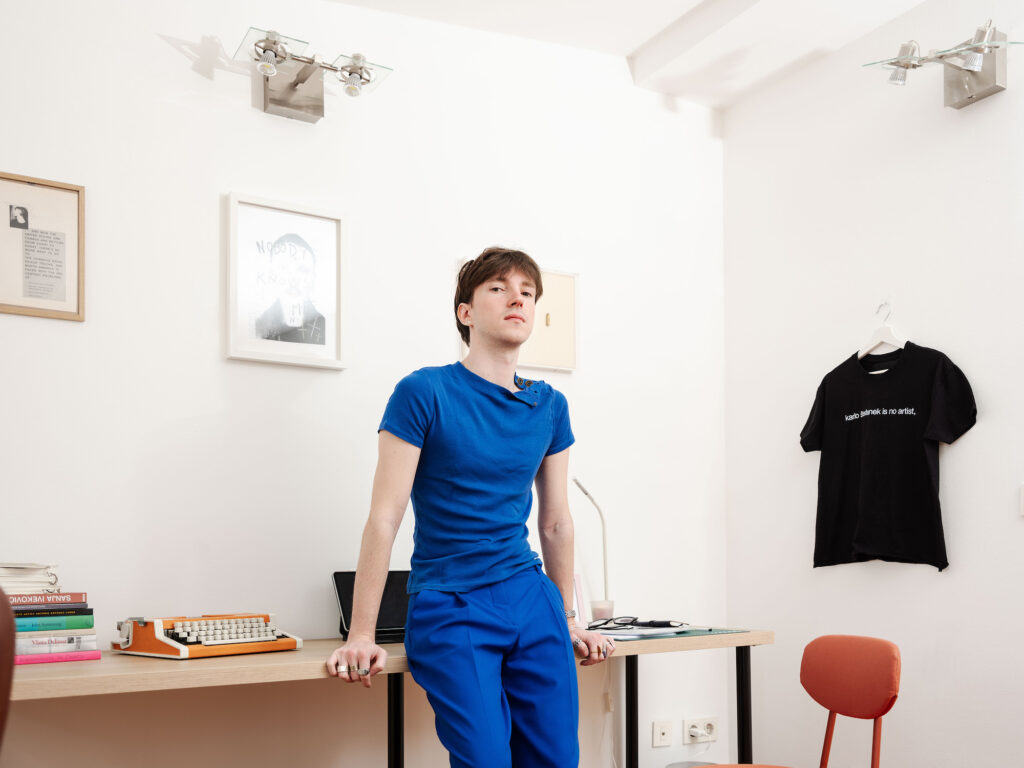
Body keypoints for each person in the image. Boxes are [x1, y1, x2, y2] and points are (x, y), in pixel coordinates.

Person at [326, 247, 613, 767]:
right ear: (466, 312)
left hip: (531, 597)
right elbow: (385, 517)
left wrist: (569, 618)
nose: (516, 299)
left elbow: (555, 522)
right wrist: (361, 634)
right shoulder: (423, 392)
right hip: (451, 604)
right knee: (485, 760)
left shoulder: (550, 406)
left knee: (555, 760)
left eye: (527, 292)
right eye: (499, 289)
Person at [255, 233, 325, 344]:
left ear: (313, 278)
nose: (293, 279)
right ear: (271, 275)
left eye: (302, 270)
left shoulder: (325, 329)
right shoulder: (259, 326)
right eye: (283, 268)